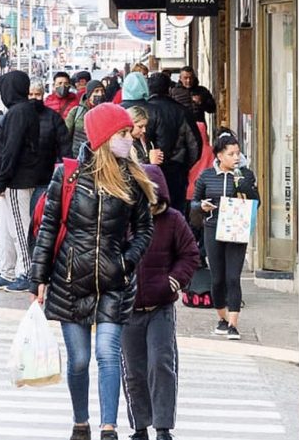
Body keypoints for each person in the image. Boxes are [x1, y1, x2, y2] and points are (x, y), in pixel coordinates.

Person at [29, 103, 156, 440]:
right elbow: (49, 226)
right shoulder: (68, 175)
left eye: (130, 133)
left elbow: (145, 228)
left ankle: (109, 427)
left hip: (114, 279)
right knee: (80, 360)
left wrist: (127, 260)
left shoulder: (131, 177)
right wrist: (38, 278)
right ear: (104, 136)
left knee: (108, 354)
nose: (130, 140)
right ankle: (80, 420)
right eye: (124, 133)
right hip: (70, 278)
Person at [122, 165, 201, 440]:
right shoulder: (124, 220)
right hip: (128, 307)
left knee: (161, 364)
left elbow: (191, 254)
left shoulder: (174, 220)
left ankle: (163, 428)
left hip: (161, 308)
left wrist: (175, 280)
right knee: (133, 369)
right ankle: (140, 427)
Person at [191, 129, 260, 340]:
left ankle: (233, 324)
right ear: (219, 156)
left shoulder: (246, 174)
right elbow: (194, 202)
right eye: (231, 154)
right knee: (218, 278)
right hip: (213, 228)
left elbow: (256, 200)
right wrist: (201, 206)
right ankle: (221, 317)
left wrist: (244, 186)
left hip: (236, 228)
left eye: (238, 153)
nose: (236, 157)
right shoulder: (206, 176)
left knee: (233, 277)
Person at [0, 71, 40, 293]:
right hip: (16, 178)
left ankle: (27, 273)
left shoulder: (18, 113)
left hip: (17, 180)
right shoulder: (23, 111)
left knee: (20, 229)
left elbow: (10, 150)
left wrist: (1, 179)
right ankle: (8, 271)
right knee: (7, 230)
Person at [145, 72, 201, 216]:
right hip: (177, 169)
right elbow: (194, 143)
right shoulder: (182, 111)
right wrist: (185, 165)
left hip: (149, 170)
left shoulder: (145, 111)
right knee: (176, 213)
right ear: (169, 89)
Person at [28, 77, 71, 214]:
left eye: (37, 94)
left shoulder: (53, 117)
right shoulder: (19, 116)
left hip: (45, 177)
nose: (34, 98)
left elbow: (64, 147)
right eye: (31, 94)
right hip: (23, 179)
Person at [66, 80, 106, 156]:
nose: (100, 94)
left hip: (100, 157)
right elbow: (65, 136)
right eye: (96, 91)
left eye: (102, 91)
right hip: (77, 156)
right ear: (89, 95)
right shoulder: (76, 112)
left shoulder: (108, 112)